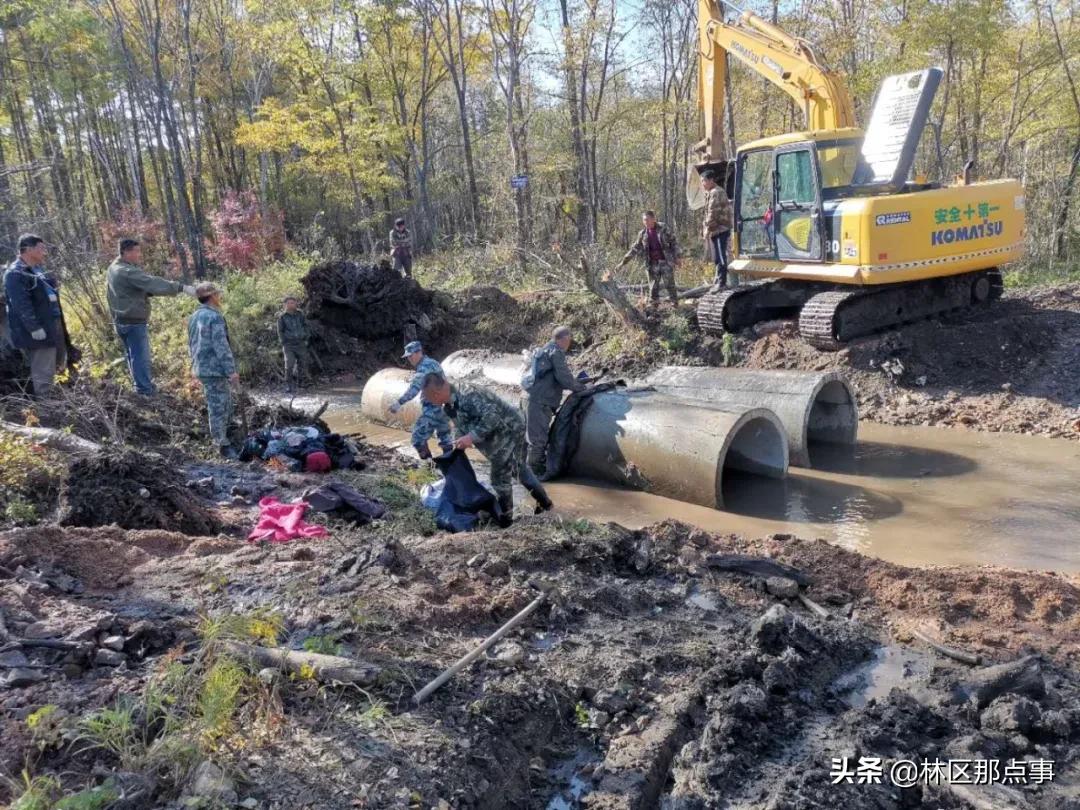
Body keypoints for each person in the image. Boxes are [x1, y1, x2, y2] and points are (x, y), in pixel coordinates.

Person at [422, 372, 553, 520]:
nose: (429, 402)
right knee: (518, 467)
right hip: (496, 431)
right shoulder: (449, 404)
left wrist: (471, 437)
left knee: (499, 475)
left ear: (436, 393)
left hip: (509, 427)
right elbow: (462, 423)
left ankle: (506, 517)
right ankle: (546, 504)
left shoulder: (468, 394)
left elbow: (493, 416)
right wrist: (459, 440)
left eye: (428, 398)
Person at [106, 238, 196, 396]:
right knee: (140, 358)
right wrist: (181, 288)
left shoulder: (113, 268)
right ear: (126, 252)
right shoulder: (126, 271)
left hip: (121, 321)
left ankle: (141, 386)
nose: (139, 254)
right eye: (136, 251)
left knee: (132, 356)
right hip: (133, 322)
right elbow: (150, 282)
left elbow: (133, 290)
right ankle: (144, 391)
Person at [3, 234, 66, 396]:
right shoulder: (15, 274)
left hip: (52, 325)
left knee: (57, 364)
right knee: (43, 369)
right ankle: (47, 407)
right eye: (41, 249)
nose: (44, 252)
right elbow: (21, 305)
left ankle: (61, 400)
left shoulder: (38, 270)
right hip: (38, 331)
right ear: (28, 250)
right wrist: (34, 328)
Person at [522, 326, 585, 475]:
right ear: (561, 339)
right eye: (568, 340)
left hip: (528, 397)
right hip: (539, 401)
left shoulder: (543, 350)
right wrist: (582, 388)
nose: (568, 344)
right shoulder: (556, 352)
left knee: (527, 438)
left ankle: (522, 471)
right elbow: (564, 379)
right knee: (537, 440)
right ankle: (534, 476)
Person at [187, 282, 239, 459]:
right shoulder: (214, 317)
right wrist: (231, 370)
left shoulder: (194, 316)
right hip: (214, 368)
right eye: (217, 294)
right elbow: (221, 346)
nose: (220, 297)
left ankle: (229, 435)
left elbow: (191, 344)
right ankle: (222, 445)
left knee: (224, 403)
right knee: (218, 406)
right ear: (212, 297)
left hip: (202, 367)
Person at [389, 340, 453, 459]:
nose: (409, 359)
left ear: (419, 352)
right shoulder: (433, 363)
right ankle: (451, 466)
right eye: (408, 357)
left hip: (433, 409)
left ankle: (429, 466)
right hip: (445, 407)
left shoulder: (424, 368)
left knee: (417, 438)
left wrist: (398, 403)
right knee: (445, 438)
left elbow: (414, 389)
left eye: (411, 355)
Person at [616, 210, 680, 304]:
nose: (646, 222)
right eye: (644, 220)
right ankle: (654, 307)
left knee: (670, 284)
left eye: (647, 219)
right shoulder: (642, 234)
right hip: (652, 264)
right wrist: (623, 263)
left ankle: (675, 304)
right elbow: (634, 249)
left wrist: (677, 257)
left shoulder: (663, 228)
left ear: (654, 219)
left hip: (665, 261)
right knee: (653, 287)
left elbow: (673, 242)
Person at [701, 170, 734, 288]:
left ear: (711, 180)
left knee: (720, 256)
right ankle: (719, 280)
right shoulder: (711, 192)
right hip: (716, 229)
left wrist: (707, 229)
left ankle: (722, 282)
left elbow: (712, 213)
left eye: (704, 181)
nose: (703, 184)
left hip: (720, 229)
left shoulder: (716, 192)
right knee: (717, 257)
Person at [277, 295, 310, 394]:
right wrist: (283, 342)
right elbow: (280, 331)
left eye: (293, 303)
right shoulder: (282, 317)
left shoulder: (300, 314)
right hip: (289, 345)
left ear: (296, 304)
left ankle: (301, 383)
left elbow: (305, 326)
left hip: (300, 343)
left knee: (302, 363)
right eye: (289, 303)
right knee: (289, 364)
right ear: (285, 305)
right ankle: (288, 384)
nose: (291, 305)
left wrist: (306, 338)